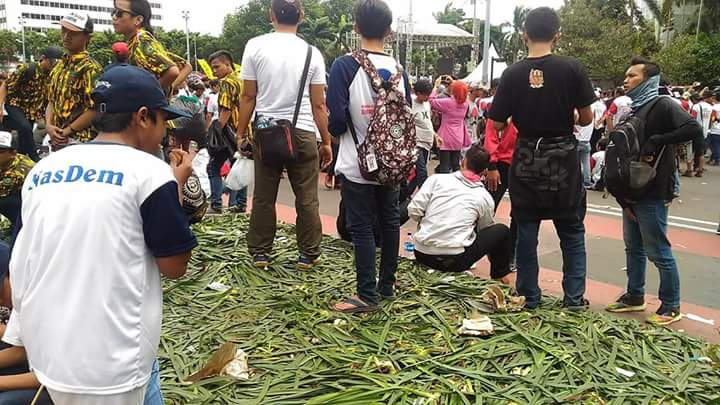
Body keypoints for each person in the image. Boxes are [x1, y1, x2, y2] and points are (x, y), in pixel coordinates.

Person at [4, 65, 197, 405]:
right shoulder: (150, 172)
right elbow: (174, 265)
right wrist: (177, 184)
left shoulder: (45, 169)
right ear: (142, 117)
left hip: (51, 351)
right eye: (163, 120)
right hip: (113, 364)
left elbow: (23, 254)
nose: (165, 132)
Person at [488, 7, 595, 311]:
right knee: (571, 230)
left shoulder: (511, 73)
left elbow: (495, 124)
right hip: (562, 156)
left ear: (524, 35)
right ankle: (573, 300)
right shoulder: (572, 68)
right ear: (557, 35)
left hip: (526, 155)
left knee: (526, 231)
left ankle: (529, 297)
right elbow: (586, 118)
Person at [604, 58, 701, 326]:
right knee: (633, 246)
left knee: (657, 249)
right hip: (631, 189)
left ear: (649, 80)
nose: (626, 80)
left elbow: (693, 128)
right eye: (626, 76)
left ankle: (671, 305)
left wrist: (658, 140)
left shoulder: (663, 104)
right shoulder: (635, 108)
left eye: (632, 76)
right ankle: (635, 296)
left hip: (654, 188)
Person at [237, 0, 332, 269]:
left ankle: (260, 253)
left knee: (264, 196)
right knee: (307, 198)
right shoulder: (312, 53)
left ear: (271, 15)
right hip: (302, 132)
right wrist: (326, 141)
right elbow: (318, 105)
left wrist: (241, 132)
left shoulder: (255, 46)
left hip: (266, 132)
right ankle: (308, 254)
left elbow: (248, 96)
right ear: (301, 16)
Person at [327, 0, 408, 313]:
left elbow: (335, 120)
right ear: (388, 31)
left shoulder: (345, 66)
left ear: (356, 27)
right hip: (393, 162)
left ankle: (366, 295)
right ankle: (385, 286)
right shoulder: (400, 71)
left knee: (360, 226)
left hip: (357, 160)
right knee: (390, 222)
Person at [408, 144, 513, 284]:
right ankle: (499, 275)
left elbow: (413, 210)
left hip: (422, 253)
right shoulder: (484, 197)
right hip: (456, 261)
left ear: (463, 161)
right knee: (501, 230)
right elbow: (485, 229)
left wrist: (427, 221)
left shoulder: (436, 179)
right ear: (484, 172)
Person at [45, 13, 103, 150]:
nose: (66, 36)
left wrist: (68, 131)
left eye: (73, 33)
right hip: (57, 138)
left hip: (82, 141)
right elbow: (52, 101)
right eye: (64, 30)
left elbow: (95, 108)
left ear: (88, 37)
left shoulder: (91, 68)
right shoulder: (59, 66)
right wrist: (49, 126)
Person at [112, 0, 191, 92]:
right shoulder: (136, 41)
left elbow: (172, 71)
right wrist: (168, 89)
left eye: (119, 13)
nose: (114, 17)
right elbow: (186, 66)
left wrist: (152, 96)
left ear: (138, 20)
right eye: (113, 12)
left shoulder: (142, 40)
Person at [0, 46, 63, 161]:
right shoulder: (27, 68)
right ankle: (34, 157)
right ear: (44, 59)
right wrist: (0, 106)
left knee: (24, 135)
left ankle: (20, 158)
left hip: (31, 111)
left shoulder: (52, 76)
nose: (55, 66)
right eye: (53, 62)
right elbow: (5, 85)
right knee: (25, 127)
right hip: (15, 104)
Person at [207, 51, 248, 214]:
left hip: (229, 132)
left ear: (227, 64)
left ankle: (217, 204)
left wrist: (216, 131)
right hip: (245, 131)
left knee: (213, 167)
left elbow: (225, 109)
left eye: (217, 67)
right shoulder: (242, 80)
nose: (214, 71)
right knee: (240, 167)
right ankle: (239, 204)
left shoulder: (227, 83)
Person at [402, 78, 440, 200]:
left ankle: (404, 195)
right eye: (425, 95)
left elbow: (428, 122)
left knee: (418, 173)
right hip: (415, 143)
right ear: (417, 93)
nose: (428, 97)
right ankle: (425, 200)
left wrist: (435, 135)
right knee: (422, 172)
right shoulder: (409, 103)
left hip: (426, 143)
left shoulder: (427, 104)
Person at [430, 80, 471, 173]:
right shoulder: (466, 104)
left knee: (444, 165)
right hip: (459, 137)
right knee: (456, 164)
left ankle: (445, 186)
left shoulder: (448, 102)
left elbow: (431, 100)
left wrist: (436, 87)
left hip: (446, 137)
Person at [0, 132, 34, 239]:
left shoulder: (19, 171)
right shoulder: (6, 162)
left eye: (0, 151)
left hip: (23, 208)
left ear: (13, 153)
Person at [689, 92, 712, 177]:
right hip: (705, 131)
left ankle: (690, 169)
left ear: (694, 100)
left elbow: (691, 118)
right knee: (701, 152)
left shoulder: (696, 107)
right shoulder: (709, 106)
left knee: (690, 151)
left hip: (695, 130)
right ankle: (700, 169)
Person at [575, 111, 594, 188]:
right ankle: (587, 181)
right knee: (586, 162)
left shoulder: (577, 112)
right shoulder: (590, 114)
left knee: (574, 162)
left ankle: (575, 181)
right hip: (586, 140)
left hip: (576, 140)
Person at [709, 91, 720, 166]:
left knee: (715, 145)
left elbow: (712, 118)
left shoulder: (715, 107)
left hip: (716, 129)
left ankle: (717, 159)